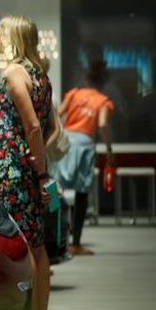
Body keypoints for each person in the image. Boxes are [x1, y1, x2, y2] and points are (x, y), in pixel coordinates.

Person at [0, 15, 55, 310]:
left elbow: (35, 127)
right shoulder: (41, 76)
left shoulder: (13, 74)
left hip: (12, 172)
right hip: (23, 169)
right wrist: (39, 161)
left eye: (1, 34)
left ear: (13, 37)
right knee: (37, 248)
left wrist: (37, 169)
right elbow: (53, 129)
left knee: (19, 249)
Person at [57, 57, 115, 256]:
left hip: (66, 142)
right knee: (82, 193)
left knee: (57, 189)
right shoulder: (103, 101)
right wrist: (109, 151)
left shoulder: (74, 94)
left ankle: (56, 240)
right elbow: (102, 124)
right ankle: (76, 242)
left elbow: (58, 113)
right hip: (85, 145)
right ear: (103, 82)